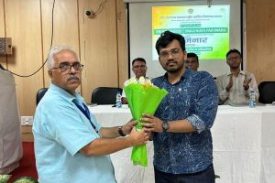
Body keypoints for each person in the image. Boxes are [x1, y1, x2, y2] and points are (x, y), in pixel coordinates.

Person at [32, 46, 149, 183]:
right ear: (51, 73)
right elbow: (89, 147)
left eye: (76, 65)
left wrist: (122, 130)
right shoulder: (54, 105)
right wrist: (131, 140)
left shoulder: (75, 98)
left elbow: (97, 131)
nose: (73, 71)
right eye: (64, 66)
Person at [142, 31, 219, 183]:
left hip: (196, 169)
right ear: (159, 59)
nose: (169, 57)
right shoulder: (153, 85)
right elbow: (149, 120)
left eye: (174, 51)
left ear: (184, 54)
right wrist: (144, 127)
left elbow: (203, 120)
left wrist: (162, 125)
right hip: (163, 168)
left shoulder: (202, 79)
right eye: (164, 53)